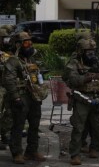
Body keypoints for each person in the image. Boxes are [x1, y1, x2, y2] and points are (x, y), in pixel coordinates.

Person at [63, 38, 99, 165]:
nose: (92, 55)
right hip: (82, 99)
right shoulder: (74, 64)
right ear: (81, 52)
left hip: (97, 99)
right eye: (88, 52)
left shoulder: (97, 63)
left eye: (93, 51)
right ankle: (75, 155)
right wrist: (87, 77)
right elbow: (71, 80)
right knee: (78, 128)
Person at [3, 32, 47, 164]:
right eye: (26, 43)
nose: (30, 45)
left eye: (30, 43)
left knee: (34, 124)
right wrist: (16, 98)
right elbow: (8, 80)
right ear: (18, 45)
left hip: (34, 96)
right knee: (18, 125)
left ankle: (32, 151)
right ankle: (17, 153)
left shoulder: (31, 60)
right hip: (21, 96)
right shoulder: (13, 60)